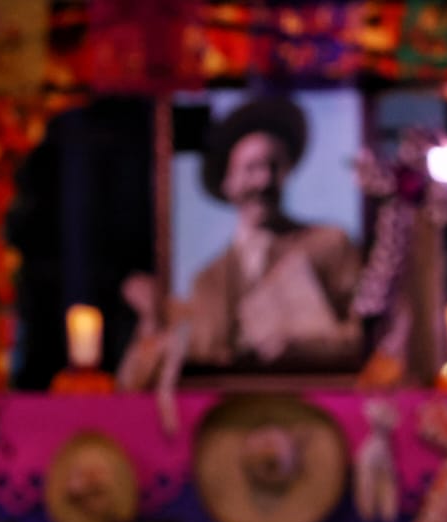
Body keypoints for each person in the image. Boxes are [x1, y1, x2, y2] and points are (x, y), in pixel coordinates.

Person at [132, 95, 364, 378]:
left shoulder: (329, 244)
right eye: (251, 168)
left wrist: (304, 345)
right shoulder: (207, 280)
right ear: (228, 183)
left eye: (273, 166)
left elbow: (364, 338)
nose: (264, 181)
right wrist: (152, 320)